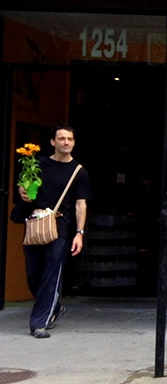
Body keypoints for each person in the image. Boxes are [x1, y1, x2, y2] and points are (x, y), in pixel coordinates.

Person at [14, 125, 90, 339]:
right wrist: (23, 191)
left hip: (61, 228)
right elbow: (24, 187)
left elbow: (80, 204)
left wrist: (79, 233)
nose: (66, 142)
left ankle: (39, 323)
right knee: (33, 273)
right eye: (62, 138)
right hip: (35, 225)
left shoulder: (79, 172)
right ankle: (54, 306)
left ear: (74, 143)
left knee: (51, 274)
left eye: (70, 139)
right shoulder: (38, 165)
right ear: (52, 142)